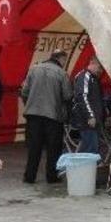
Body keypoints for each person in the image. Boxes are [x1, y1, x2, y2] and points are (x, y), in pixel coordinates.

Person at [21, 50, 73, 184]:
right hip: (53, 116)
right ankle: (51, 176)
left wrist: (30, 105)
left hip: (33, 116)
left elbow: (24, 91)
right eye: (64, 60)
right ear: (61, 59)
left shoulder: (33, 69)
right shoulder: (61, 73)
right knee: (53, 148)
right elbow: (67, 95)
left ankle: (29, 176)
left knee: (34, 148)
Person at [72, 56, 105, 154]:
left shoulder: (93, 78)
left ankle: (83, 168)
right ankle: (80, 168)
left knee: (91, 149)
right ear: (92, 63)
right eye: (100, 67)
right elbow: (82, 96)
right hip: (87, 121)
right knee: (90, 150)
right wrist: (90, 116)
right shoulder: (85, 76)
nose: (101, 71)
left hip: (92, 121)